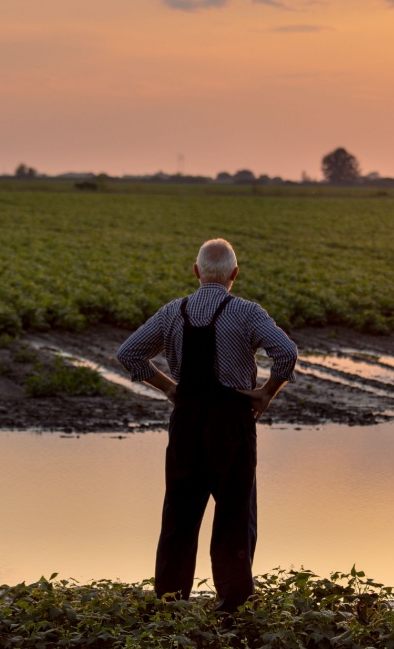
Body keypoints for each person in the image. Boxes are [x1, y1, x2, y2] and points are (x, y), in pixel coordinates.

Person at [116, 238, 296, 612]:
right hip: (232, 422)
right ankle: (232, 605)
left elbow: (129, 353)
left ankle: (170, 604)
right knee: (234, 513)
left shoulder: (172, 312)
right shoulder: (247, 312)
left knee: (179, 514)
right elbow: (287, 352)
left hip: (187, 422)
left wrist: (169, 388)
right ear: (234, 273)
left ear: (197, 272)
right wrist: (266, 393)